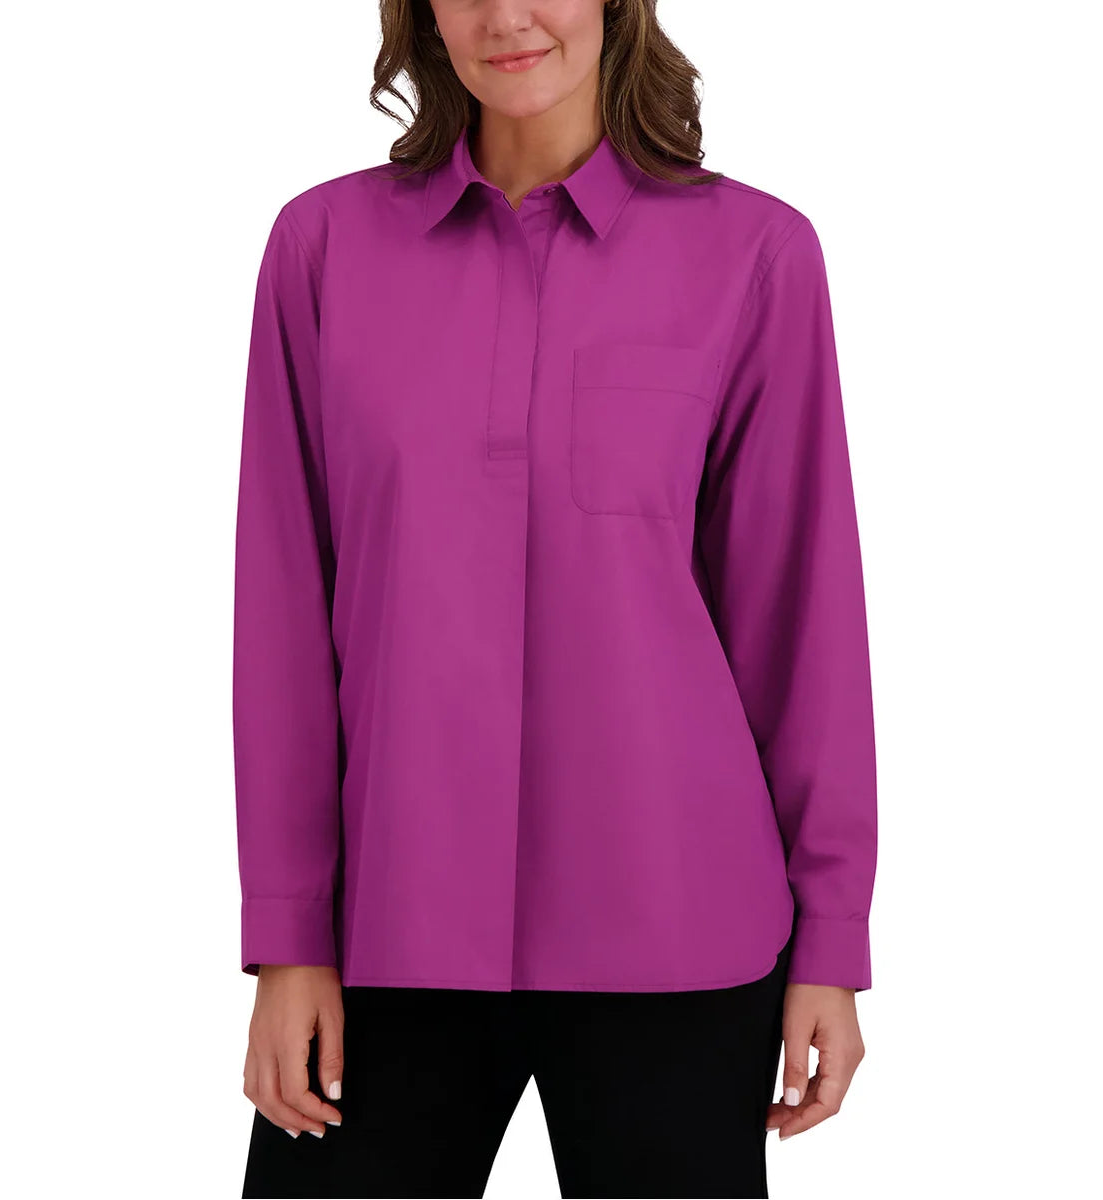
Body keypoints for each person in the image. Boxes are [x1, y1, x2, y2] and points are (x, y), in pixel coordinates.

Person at [233, 2, 877, 1197]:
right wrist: (287, 937)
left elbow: (802, 620)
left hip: (679, 927)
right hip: (392, 930)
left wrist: (831, 943)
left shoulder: (757, 255)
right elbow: (280, 617)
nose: (506, 14)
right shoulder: (323, 248)